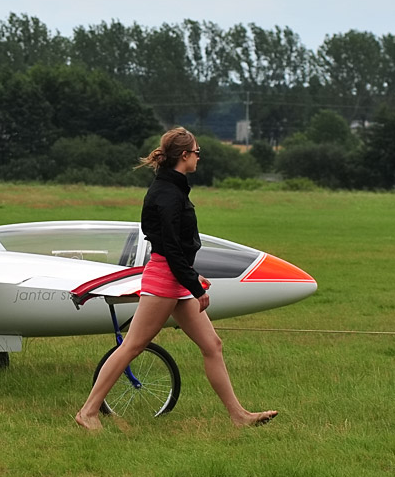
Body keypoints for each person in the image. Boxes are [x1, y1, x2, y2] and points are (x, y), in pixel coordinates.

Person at [75, 127, 278, 430]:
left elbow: (161, 236)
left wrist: (190, 276)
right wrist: (195, 285)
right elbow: (169, 246)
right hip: (165, 280)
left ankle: (239, 416)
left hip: (175, 278)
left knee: (212, 344)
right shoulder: (167, 193)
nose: (199, 157)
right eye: (197, 152)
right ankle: (88, 412)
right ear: (184, 156)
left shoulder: (171, 188)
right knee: (133, 345)